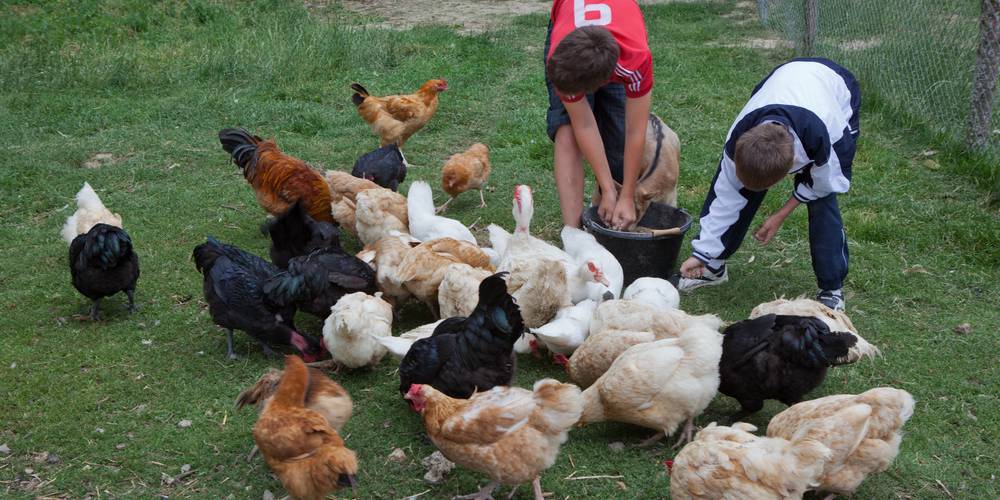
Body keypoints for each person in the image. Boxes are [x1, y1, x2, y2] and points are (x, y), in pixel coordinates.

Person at [678, 58, 861, 311]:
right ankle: (714, 267)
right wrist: (703, 254)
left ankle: (831, 288)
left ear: (789, 167)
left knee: (822, 201)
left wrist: (780, 214)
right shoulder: (740, 138)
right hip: (782, 77)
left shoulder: (828, 135)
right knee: (737, 191)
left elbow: (827, 183)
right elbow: (724, 197)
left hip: (835, 87)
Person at [544, 0, 653, 230]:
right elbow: (582, 124)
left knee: (619, 132)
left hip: (619, 42)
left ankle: (619, 205)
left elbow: (635, 131)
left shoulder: (636, 61)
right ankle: (573, 233)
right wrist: (608, 188)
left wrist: (626, 195)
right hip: (570, 31)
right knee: (568, 128)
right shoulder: (561, 59)